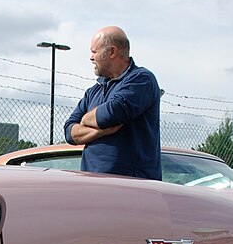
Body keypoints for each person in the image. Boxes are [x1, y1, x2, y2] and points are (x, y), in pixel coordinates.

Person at [63, 26, 161, 179]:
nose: (90, 57)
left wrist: (85, 121)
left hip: (132, 186)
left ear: (112, 52)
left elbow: (112, 113)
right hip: (92, 182)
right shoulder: (93, 91)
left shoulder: (141, 80)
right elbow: (69, 132)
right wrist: (100, 131)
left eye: (94, 51)